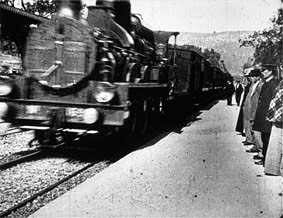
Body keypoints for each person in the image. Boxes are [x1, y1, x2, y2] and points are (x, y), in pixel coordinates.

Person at [252, 64, 279, 165]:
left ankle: (267, 161)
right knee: (264, 137)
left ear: (271, 71)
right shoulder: (266, 83)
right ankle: (264, 159)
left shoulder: (274, 84)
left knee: (267, 138)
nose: (263, 72)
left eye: (265, 70)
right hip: (263, 116)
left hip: (268, 116)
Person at [264, 77, 283, 176]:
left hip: (278, 117)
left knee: (276, 143)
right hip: (277, 117)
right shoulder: (281, 83)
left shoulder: (280, 84)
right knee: (277, 143)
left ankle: (273, 168)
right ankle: (274, 169)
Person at [242, 69, 263, 147]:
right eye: (251, 76)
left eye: (254, 76)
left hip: (254, 109)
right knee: (248, 125)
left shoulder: (260, 85)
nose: (252, 78)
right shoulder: (252, 85)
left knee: (254, 127)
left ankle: (256, 145)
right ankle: (249, 140)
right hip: (248, 108)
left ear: (258, 77)